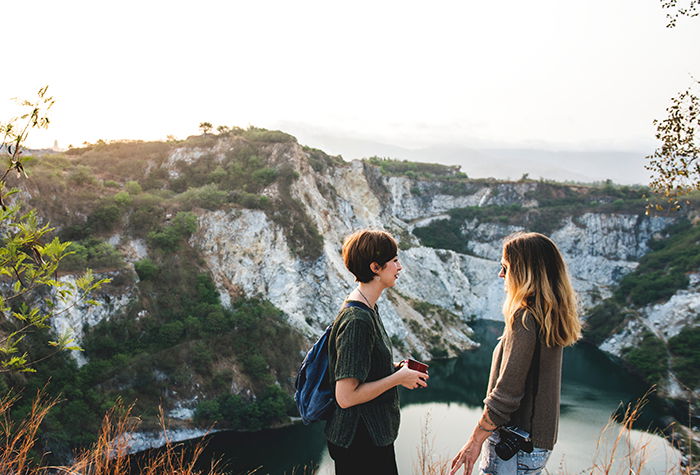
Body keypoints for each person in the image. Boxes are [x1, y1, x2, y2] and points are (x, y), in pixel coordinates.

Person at [450, 232, 581, 475]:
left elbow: (507, 393)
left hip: (513, 445)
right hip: (535, 444)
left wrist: (475, 439)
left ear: (524, 272)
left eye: (505, 267)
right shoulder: (549, 316)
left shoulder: (525, 317)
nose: (501, 274)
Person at [325, 229, 429, 475]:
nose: (399, 267)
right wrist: (398, 379)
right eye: (394, 261)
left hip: (369, 437)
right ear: (375, 267)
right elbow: (346, 397)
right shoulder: (357, 319)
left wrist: (394, 369)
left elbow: (363, 369)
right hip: (360, 441)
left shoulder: (367, 308)